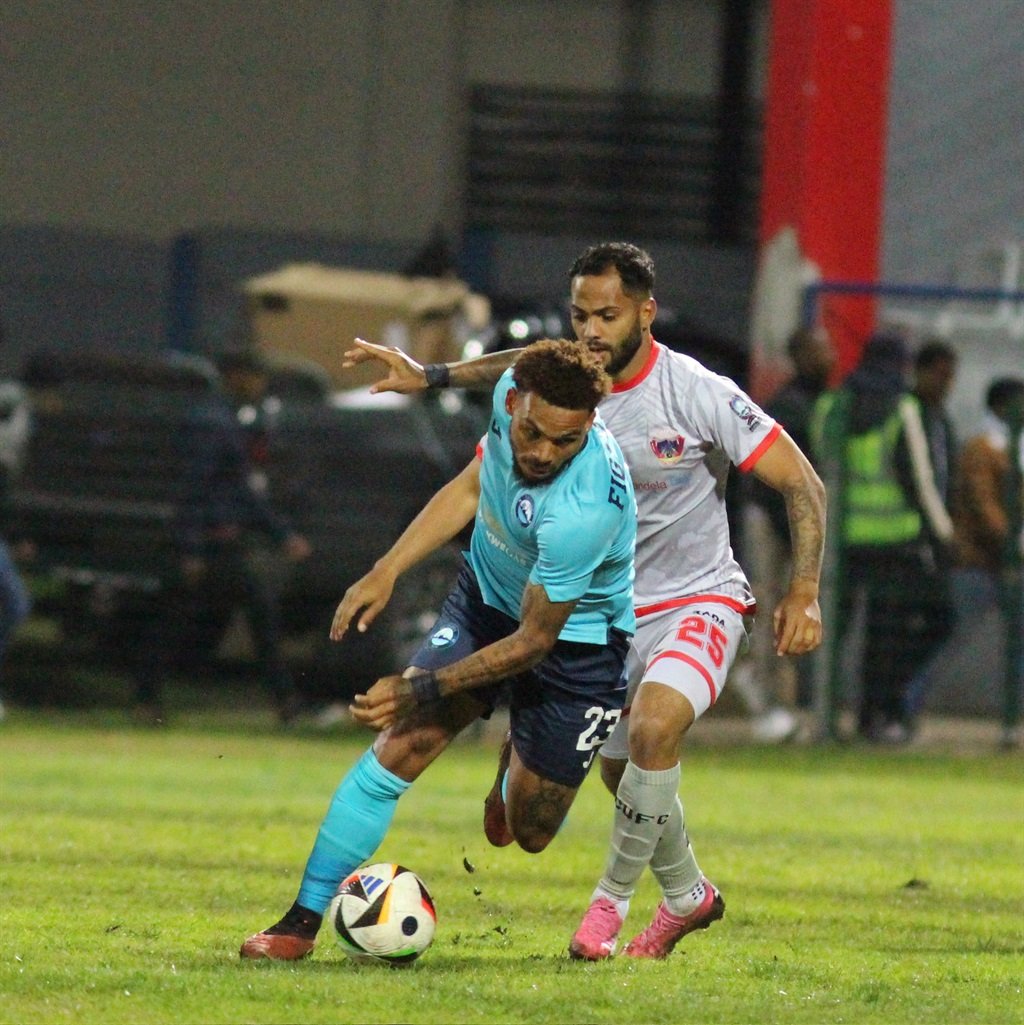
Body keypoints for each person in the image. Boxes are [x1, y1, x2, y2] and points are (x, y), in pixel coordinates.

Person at [342, 241, 826, 960]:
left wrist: (805, 590)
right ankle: (689, 897)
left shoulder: (694, 391)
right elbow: (517, 367)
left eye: (608, 314)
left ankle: (607, 911)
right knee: (611, 780)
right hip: (600, 617)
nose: (591, 330)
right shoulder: (564, 390)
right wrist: (433, 374)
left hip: (698, 600)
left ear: (645, 312)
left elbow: (802, 482)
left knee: (657, 730)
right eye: (580, 315)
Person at [240, 339, 638, 960]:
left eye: (565, 442)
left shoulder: (586, 508)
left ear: (589, 424)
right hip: (485, 597)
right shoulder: (512, 392)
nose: (540, 452)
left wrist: (419, 684)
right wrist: (388, 567)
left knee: (531, 832)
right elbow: (473, 483)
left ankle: (516, 758)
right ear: (516, 403)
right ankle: (299, 923)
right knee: (403, 742)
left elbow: (534, 642)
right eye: (531, 433)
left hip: (577, 645)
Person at [132, 351, 311, 725]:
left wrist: (280, 535)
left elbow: (237, 490)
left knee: (179, 619)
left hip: (218, 542)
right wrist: (192, 548)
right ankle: (284, 702)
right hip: (211, 543)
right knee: (187, 618)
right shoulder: (212, 423)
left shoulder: (219, 417)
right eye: (255, 376)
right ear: (237, 376)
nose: (260, 386)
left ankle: (146, 698)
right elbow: (197, 489)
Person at [811, 333, 954, 744]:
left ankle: (824, 718)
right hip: (895, 542)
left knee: (834, 634)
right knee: (885, 637)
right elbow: (920, 478)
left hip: (840, 544)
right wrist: (942, 535)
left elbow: (819, 467)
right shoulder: (902, 409)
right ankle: (874, 719)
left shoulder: (832, 405)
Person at [734, 325, 835, 741]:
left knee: (792, 613)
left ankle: (782, 705)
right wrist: (789, 532)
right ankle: (763, 696)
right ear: (800, 357)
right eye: (818, 349)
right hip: (771, 519)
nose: (828, 357)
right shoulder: (788, 403)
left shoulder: (824, 401)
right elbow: (769, 477)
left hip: (792, 521)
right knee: (770, 606)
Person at [950, 377, 1024, 748]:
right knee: (953, 638)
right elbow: (984, 505)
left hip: (1005, 564)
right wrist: (1013, 541)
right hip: (978, 562)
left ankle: (1013, 722)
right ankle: (907, 706)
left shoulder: (1011, 447)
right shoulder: (984, 447)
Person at [901, 340, 959, 725]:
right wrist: (942, 531)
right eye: (940, 374)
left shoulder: (941, 420)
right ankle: (893, 702)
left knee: (940, 618)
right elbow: (919, 480)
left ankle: (899, 696)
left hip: (933, 537)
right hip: (911, 535)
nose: (947, 383)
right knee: (917, 618)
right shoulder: (910, 413)